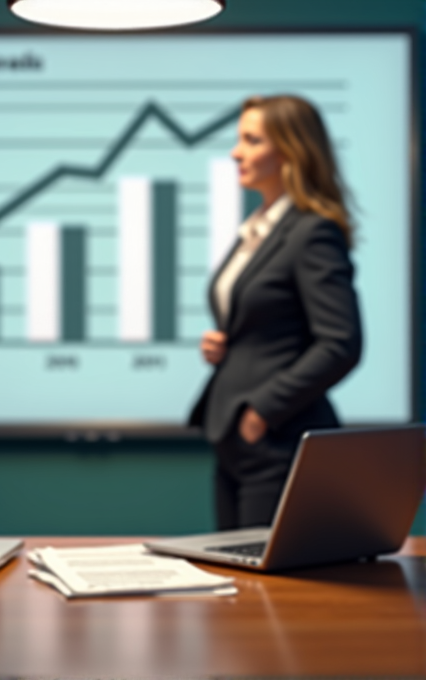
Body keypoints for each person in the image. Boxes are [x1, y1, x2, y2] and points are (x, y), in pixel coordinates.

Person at [189, 95, 362, 530]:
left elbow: (341, 342)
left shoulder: (312, 232)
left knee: (264, 591)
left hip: (275, 440)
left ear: (290, 150)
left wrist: (262, 410)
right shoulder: (260, 230)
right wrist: (226, 344)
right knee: (234, 580)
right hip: (234, 441)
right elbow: (268, 323)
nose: (235, 152)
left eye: (251, 140)